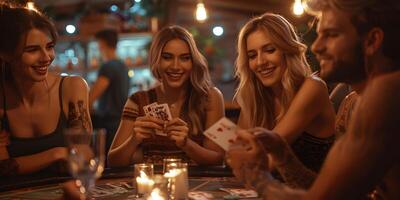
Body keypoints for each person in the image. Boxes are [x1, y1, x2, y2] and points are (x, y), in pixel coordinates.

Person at [227, 0, 400, 199]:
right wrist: (283, 155)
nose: (316, 47)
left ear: (372, 41)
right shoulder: (352, 102)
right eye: (319, 35)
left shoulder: (387, 93)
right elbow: (332, 193)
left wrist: (256, 178)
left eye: (331, 34)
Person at [107, 25, 225, 167]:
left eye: (184, 58)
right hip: (152, 186)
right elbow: (112, 162)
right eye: (167, 57)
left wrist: (186, 144)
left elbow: (218, 159)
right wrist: (133, 140)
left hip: (198, 186)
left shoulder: (211, 97)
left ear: (193, 62)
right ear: (157, 60)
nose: (176, 66)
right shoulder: (137, 101)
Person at [234, 12, 336, 173]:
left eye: (269, 50)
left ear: (287, 50)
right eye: (252, 56)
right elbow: (237, 152)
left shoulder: (313, 87)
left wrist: (241, 158)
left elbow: (266, 160)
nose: (260, 62)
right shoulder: (258, 96)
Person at [0, 3, 91, 176]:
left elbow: (82, 158)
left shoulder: (72, 87)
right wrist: (57, 153)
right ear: (5, 54)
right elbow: (2, 170)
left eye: (49, 46)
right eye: (32, 49)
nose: (46, 57)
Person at [89, 29, 129, 155]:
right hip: (120, 123)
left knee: (106, 163)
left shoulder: (108, 66)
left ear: (102, 43)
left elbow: (91, 97)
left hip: (108, 125)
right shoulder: (122, 65)